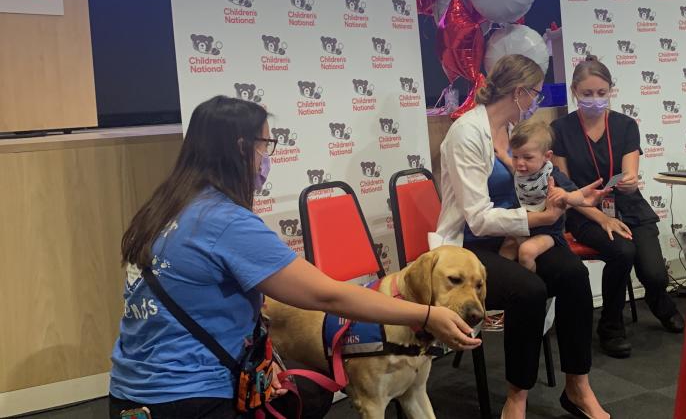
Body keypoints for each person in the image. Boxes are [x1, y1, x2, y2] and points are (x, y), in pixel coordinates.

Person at [109, 96, 480, 418]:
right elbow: (328, 296)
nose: (267, 158)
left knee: (310, 394)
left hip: (130, 395)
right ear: (241, 148)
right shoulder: (226, 221)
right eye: (265, 146)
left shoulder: (163, 209)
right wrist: (428, 315)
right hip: (189, 398)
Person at [435, 54, 610, 419]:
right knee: (528, 291)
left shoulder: (512, 131)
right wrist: (539, 218)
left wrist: (568, 203)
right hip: (471, 245)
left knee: (574, 276)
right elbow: (478, 220)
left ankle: (578, 387)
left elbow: (542, 182)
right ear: (518, 92)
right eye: (534, 94)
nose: (535, 103)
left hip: (516, 233)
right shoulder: (467, 133)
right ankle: (517, 396)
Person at [551, 56, 684, 359]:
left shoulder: (625, 125)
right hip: (583, 211)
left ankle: (659, 300)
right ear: (574, 91)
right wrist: (598, 215)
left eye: (601, 93)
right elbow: (566, 187)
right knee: (622, 251)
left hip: (628, 205)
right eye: (587, 94)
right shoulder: (559, 129)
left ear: (611, 90)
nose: (595, 101)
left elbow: (630, 173)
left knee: (654, 275)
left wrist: (631, 183)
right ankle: (611, 327)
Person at [500, 120, 610, 271]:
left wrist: (566, 195)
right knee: (503, 253)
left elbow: (576, 196)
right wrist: (501, 155)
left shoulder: (553, 176)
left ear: (547, 156)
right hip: (522, 228)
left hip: (548, 233)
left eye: (527, 158)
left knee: (526, 252)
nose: (519, 163)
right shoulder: (521, 172)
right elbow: (510, 164)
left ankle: (534, 289)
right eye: (515, 156)